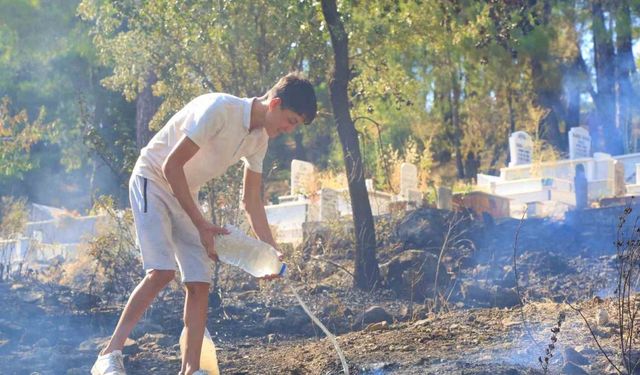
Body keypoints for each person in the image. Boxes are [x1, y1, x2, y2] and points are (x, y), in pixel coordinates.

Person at [91, 73, 317, 375]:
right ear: (274, 103)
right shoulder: (221, 110)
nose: (288, 130)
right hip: (152, 179)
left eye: (295, 126)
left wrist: (270, 253)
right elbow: (171, 165)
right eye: (290, 121)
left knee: (200, 283)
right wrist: (202, 224)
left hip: (185, 192)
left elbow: (251, 201)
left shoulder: (259, 139)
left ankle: (191, 369)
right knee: (161, 273)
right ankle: (109, 354)